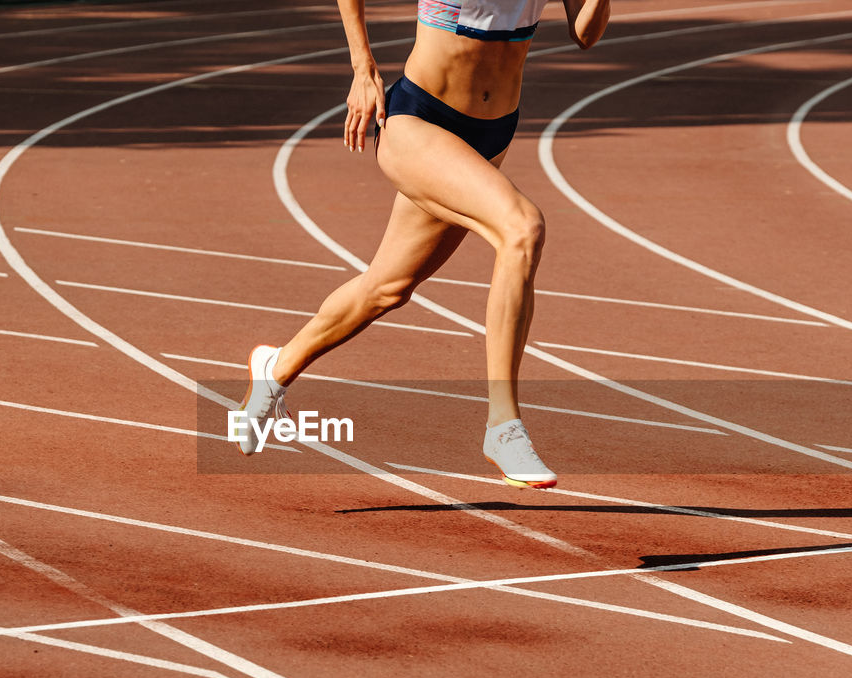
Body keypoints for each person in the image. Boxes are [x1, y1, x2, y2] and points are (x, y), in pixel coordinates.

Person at [237, 0, 611, 488]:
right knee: (522, 228)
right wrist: (362, 67)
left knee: (388, 287)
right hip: (421, 119)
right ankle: (503, 425)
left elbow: (585, 33)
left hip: (491, 133)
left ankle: (276, 366)